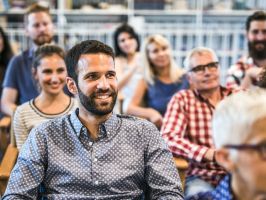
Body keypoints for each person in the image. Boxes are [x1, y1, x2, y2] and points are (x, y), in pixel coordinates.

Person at [3, 40, 183, 199]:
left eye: (110, 75)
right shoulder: (43, 136)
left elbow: (168, 192)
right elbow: (17, 194)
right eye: (92, 76)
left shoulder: (144, 133)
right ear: (72, 85)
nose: (104, 85)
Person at [161, 47, 232, 196]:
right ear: (189, 78)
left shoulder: (237, 96)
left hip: (238, 172)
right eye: (199, 68)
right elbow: (168, 138)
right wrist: (208, 153)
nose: (207, 72)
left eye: (212, 65)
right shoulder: (182, 99)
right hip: (201, 175)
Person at [186, 88, 266, 200]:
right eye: (264, 148)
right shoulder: (185, 100)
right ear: (226, 158)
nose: (207, 72)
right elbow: (169, 136)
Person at [13, 44, 77, 150]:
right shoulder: (22, 113)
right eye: (47, 71)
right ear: (35, 73)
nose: (55, 79)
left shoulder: (80, 108)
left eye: (60, 70)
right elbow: (25, 160)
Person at [1, 3, 54, 117]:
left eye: (45, 24)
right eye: (36, 25)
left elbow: (76, 97)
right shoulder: (17, 62)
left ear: (53, 26)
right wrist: (26, 116)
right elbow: (6, 102)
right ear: (26, 30)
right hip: (29, 126)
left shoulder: (69, 59)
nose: (42, 29)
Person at [126, 34, 189, 128]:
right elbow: (129, 108)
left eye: (164, 48)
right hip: (160, 134)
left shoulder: (187, 77)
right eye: (155, 51)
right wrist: (151, 113)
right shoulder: (146, 80)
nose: (161, 54)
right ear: (149, 57)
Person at [226, 11, 266, 90]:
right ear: (247, 34)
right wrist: (249, 76)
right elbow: (231, 101)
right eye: (255, 32)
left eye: (265, 32)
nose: (260, 37)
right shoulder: (236, 70)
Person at [113, 24, 143, 113]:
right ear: (118, 44)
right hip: (125, 103)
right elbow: (117, 85)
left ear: (136, 39)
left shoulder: (144, 56)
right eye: (122, 40)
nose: (127, 42)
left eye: (130, 38)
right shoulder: (117, 60)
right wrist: (134, 67)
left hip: (144, 100)